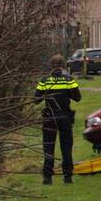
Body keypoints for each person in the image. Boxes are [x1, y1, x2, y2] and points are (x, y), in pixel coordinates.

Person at [34, 54, 81, 185]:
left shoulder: (44, 81)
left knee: (48, 147)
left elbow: (36, 100)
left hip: (49, 117)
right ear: (63, 66)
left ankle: (47, 178)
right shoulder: (68, 80)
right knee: (66, 147)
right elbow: (78, 98)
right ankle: (67, 177)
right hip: (65, 117)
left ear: (51, 66)